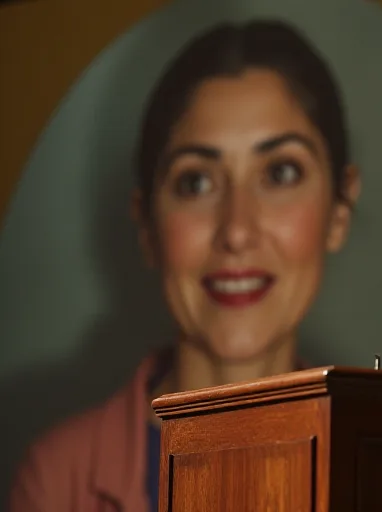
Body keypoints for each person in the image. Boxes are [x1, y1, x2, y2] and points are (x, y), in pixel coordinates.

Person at [9, 19, 360, 512]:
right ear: (147, 224)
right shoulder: (56, 482)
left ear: (339, 210)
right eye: (196, 182)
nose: (236, 230)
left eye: (280, 173)